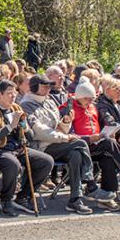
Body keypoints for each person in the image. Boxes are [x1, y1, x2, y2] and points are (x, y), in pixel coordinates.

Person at [67, 81, 120, 211]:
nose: (89, 101)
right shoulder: (70, 109)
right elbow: (68, 134)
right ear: (79, 97)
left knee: (109, 156)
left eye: (91, 98)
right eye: (86, 98)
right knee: (110, 144)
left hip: (96, 143)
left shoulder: (93, 107)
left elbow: (99, 126)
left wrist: (103, 134)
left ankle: (107, 198)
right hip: (80, 145)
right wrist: (89, 138)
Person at [20, 74, 96, 214]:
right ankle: (90, 182)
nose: (48, 88)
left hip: (56, 143)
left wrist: (66, 122)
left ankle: (75, 199)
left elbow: (58, 128)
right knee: (79, 143)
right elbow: (39, 131)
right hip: (40, 147)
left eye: (49, 86)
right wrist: (65, 137)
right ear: (34, 87)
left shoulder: (50, 101)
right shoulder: (26, 105)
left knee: (75, 154)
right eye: (44, 86)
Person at [0, 80, 54, 216]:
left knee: (46, 161)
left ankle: (24, 196)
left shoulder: (16, 108)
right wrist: (10, 126)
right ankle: (6, 200)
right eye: (9, 93)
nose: (13, 96)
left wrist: (24, 126)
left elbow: (30, 136)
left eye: (14, 93)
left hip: (17, 148)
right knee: (12, 164)